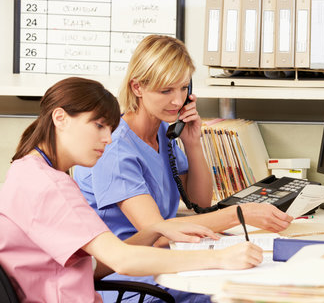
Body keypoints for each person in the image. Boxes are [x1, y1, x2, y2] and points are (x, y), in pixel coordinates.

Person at [0, 77, 263, 303]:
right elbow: (122, 261)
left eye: (111, 129)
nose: (108, 138)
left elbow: (90, 265)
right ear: (60, 118)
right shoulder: (52, 187)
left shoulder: (26, 170)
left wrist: (154, 230)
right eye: (99, 125)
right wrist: (220, 259)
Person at [74, 35, 293, 301]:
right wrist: (241, 213)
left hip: (164, 262)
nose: (177, 101)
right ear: (138, 87)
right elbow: (158, 231)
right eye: (166, 91)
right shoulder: (115, 148)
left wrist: (193, 143)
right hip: (130, 280)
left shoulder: (164, 131)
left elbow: (198, 201)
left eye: (182, 88)